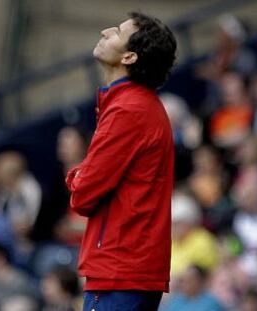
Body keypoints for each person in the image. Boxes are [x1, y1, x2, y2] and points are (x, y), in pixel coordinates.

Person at [65, 11, 176, 311]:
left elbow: (83, 195)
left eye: (117, 32)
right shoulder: (133, 105)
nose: (104, 31)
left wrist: (76, 173)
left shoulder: (128, 109)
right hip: (129, 270)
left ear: (129, 57)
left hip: (119, 269)